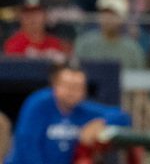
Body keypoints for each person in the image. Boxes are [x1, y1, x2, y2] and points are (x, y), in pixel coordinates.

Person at [3, 62, 131, 164]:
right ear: (55, 86)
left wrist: (101, 123)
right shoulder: (39, 103)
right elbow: (27, 146)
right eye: (67, 86)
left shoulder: (83, 109)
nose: (72, 92)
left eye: (78, 87)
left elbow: (123, 117)